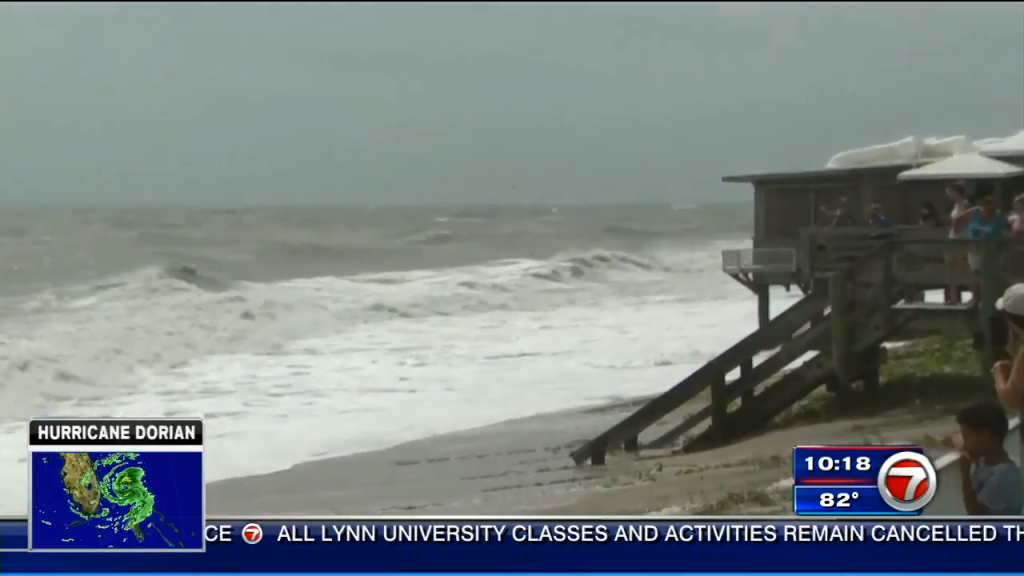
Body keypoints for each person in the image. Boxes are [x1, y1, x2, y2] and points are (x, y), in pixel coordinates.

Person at [953, 401, 1024, 515]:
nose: (965, 444)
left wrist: (965, 473)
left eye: (967, 437)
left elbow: (974, 512)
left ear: (986, 438)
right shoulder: (985, 462)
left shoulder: (1003, 475)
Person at [952, 187, 1006, 307]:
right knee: (973, 274)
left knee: (988, 276)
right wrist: (957, 235)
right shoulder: (975, 212)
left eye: (991, 204)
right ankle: (975, 299)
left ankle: (990, 300)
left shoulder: (998, 216)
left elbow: (1006, 229)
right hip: (975, 248)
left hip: (992, 250)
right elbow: (958, 220)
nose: (988, 207)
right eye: (986, 204)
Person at [946, 183, 972, 303]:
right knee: (951, 268)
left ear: (956, 191)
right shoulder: (955, 205)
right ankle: (953, 297)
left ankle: (974, 295)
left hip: (963, 238)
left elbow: (968, 220)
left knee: (964, 268)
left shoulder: (965, 204)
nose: (948, 193)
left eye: (950, 190)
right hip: (953, 238)